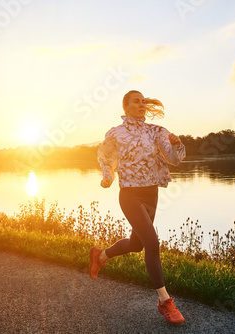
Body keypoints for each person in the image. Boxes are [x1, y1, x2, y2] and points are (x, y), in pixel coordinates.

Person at [89, 90, 186, 325]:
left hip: (151, 192)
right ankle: (165, 301)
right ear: (126, 107)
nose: (142, 105)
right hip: (130, 194)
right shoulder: (116, 133)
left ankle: (100, 255)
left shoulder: (157, 131)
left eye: (144, 102)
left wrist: (178, 144)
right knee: (152, 243)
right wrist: (107, 177)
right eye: (136, 101)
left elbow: (175, 159)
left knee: (136, 244)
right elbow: (105, 156)